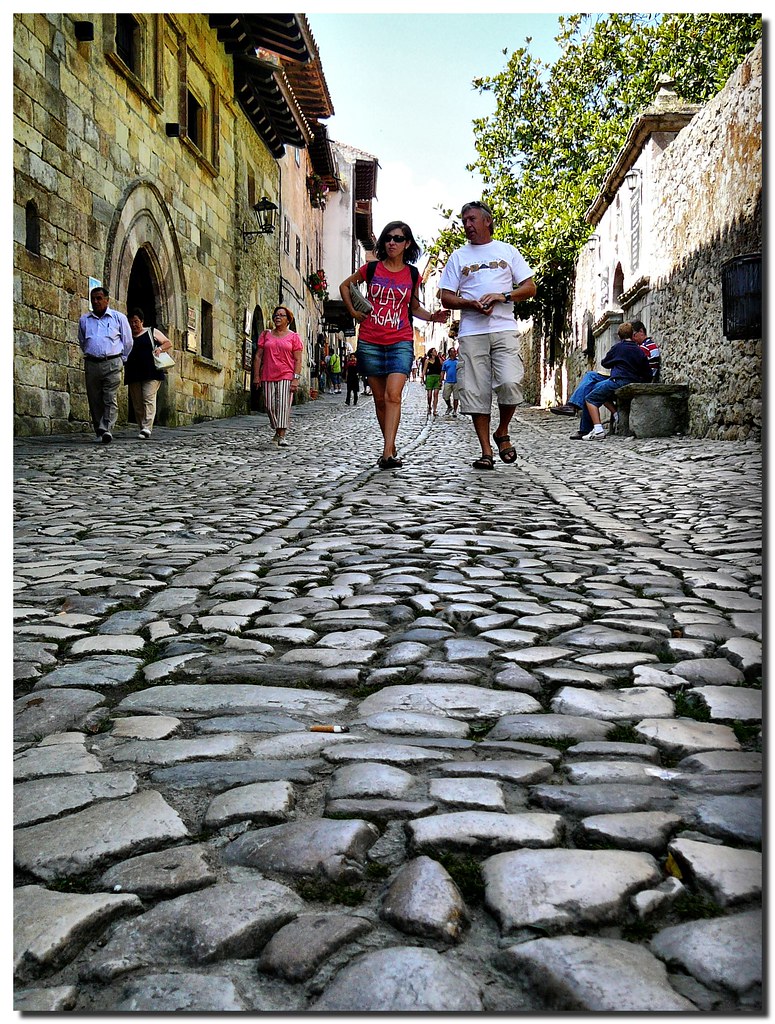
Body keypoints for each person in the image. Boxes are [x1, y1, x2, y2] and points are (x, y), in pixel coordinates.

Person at [339, 220, 449, 469]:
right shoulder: (371, 269)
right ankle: (390, 444)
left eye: (398, 238)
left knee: (393, 395)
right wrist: (354, 313)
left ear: (407, 243)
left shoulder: (412, 274)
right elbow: (345, 286)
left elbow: (414, 307)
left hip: (400, 340)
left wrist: (432, 317)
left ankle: (387, 453)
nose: (392, 242)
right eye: (389, 238)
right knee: (379, 399)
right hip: (370, 340)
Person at [439, 200, 536, 470]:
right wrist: (469, 304)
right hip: (472, 331)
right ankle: (486, 451)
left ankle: (502, 431)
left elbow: (530, 287)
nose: (467, 225)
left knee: (510, 382)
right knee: (475, 391)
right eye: (463, 221)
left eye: (471, 219)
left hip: (503, 327)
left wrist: (502, 296)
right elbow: (445, 296)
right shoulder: (458, 256)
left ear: (487, 221)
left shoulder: (507, 251)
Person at [77, 286, 133, 443]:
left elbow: (128, 341)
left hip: (112, 362)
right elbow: (82, 341)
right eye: (93, 299)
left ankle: (106, 428)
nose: (96, 301)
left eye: (99, 298)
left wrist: (122, 358)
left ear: (107, 300)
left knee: (109, 396)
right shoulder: (84, 320)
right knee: (94, 398)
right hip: (92, 363)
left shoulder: (118, 318)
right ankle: (99, 431)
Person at [583, 321, 652, 440]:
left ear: (619, 336)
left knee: (590, 398)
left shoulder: (617, 348)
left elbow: (605, 362)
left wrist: (616, 362)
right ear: (632, 334)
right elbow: (647, 372)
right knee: (598, 387)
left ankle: (598, 429)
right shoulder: (639, 350)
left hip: (618, 381)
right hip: (633, 381)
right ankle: (616, 414)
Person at [253, 305, 302, 447]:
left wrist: (296, 379)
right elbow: (258, 356)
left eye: (281, 315)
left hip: (286, 375)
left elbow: (298, 360)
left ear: (288, 320)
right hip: (268, 374)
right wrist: (256, 376)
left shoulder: (294, 337)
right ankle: (278, 429)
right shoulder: (266, 334)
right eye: (276, 315)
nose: (278, 317)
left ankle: (281, 435)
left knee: (282, 406)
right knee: (269, 405)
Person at [125, 308, 173, 439]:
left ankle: (147, 427)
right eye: (131, 322)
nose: (134, 325)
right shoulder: (127, 336)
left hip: (151, 371)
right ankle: (142, 427)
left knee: (148, 398)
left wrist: (160, 348)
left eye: (136, 322)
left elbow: (168, 343)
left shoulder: (152, 332)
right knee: (137, 402)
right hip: (134, 372)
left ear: (141, 321)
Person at [422, 347, 443, 417]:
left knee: (436, 394)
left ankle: (435, 409)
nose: (436, 352)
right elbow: (424, 369)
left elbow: (442, 368)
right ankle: (429, 406)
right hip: (430, 377)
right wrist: (422, 377)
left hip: (437, 377)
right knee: (429, 395)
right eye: (434, 351)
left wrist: (441, 378)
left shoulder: (439, 360)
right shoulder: (427, 361)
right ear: (431, 353)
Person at [440, 345, 460, 417]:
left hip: (457, 381)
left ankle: (455, 411)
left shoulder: (458, 361)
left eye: (455, 351)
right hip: (448, 381)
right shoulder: (446, 362)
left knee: (456, 397)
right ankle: (449, 406)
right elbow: (443, 371)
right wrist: (441, 380)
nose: (455, 353)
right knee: (446, 396)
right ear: (450, 353)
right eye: (453, 352)